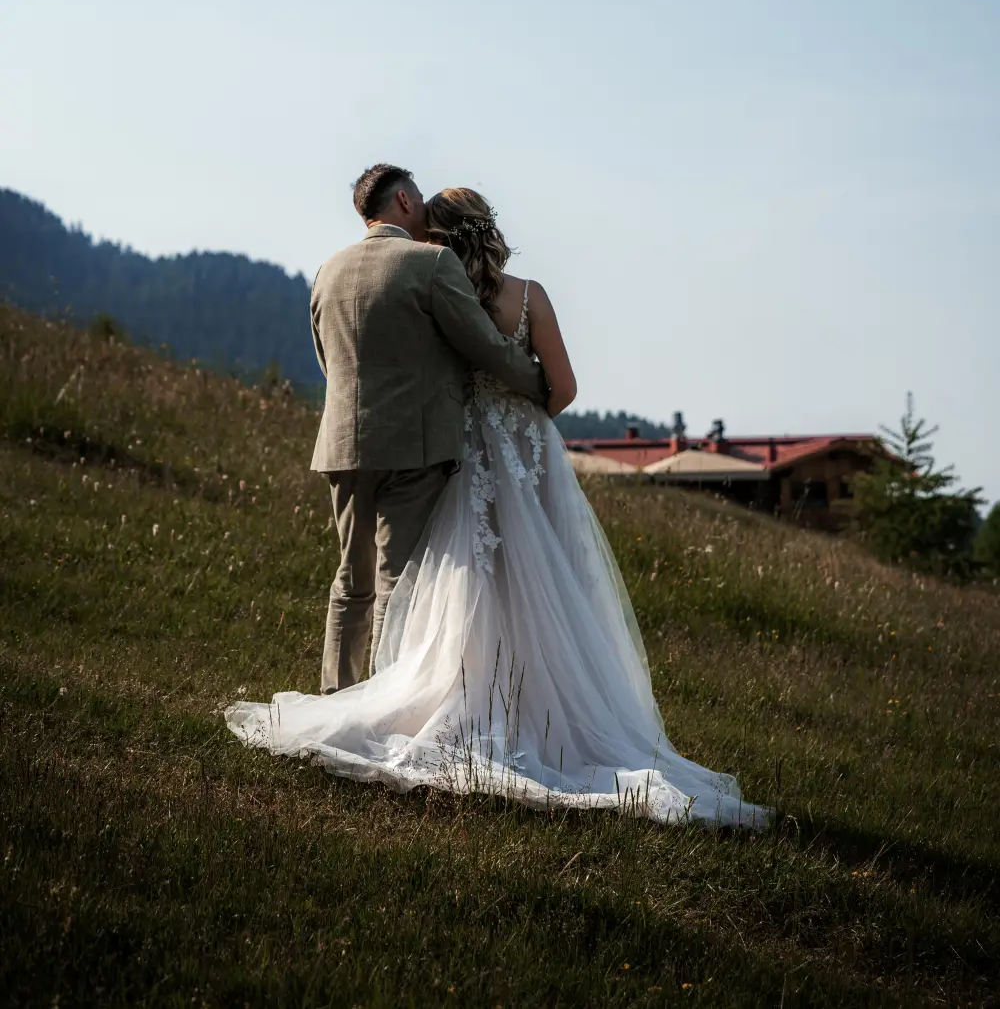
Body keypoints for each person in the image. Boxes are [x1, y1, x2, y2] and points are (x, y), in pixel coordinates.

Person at [226, 185, 771, 827]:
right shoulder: (523, 295)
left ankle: (424, 696)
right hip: (521, 451)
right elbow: (560, 388)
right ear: (488, 228)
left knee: (452, 585)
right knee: (538, 583)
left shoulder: (433, 286)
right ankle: (535, 709)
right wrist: (526, 407)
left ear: (436, 234)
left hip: (456, 451)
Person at [308, 163, 548, 693]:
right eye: (416, 198)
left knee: (351, 579)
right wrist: (538, 382)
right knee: (398, 580)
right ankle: (378, 705)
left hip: (343, 443)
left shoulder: (329, 269)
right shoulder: (431, 262)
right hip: (412, 446)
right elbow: (484, 344)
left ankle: (333, 696)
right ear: (401, 203)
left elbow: (328, 359)